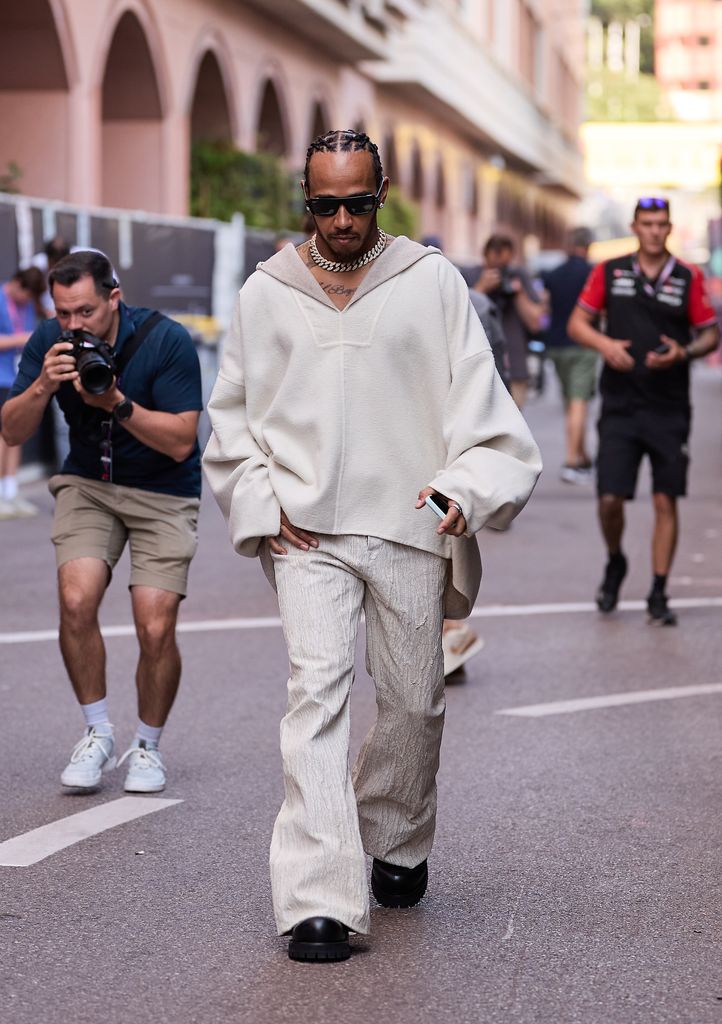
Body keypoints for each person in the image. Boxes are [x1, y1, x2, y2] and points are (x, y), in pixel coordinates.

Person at [203, 129, 542, 962]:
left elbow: (483, 404)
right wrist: (258, 499)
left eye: (359, 202)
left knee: (414, 700)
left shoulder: (430, 282)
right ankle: (318, 898)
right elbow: (232, 417)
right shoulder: (266, 292)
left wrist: (465, 490)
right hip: (305, 534)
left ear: (381, 193)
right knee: (313, 700)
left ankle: (393, 836)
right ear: (305, 201)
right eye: (326, 205)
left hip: (409, 526)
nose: (343, 219)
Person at [1, 250, 203, 791]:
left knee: (155, 624)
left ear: (114, 297)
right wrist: (42, 385)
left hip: (163, 490)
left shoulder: (167, 340)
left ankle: (147, 746)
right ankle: (96, 732)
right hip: (89, 484)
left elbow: (183, 441)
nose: (73, 325)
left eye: (85, 312)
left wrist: (114, 399)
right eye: (63, 313)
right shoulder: (49, 340)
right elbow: (12, 432)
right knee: (74, 599)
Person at [568, 197, 719, 625]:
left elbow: (710, 335)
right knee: (610, 498)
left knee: (664, 499)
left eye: (661, 224)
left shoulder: (688, 277)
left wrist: (684, 352)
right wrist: (606, 345)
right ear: (635, 227)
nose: (654, 231)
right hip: (620, 403)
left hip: (670, 407)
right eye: (647, 224)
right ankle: (616, 559)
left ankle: (658, 590)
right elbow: (577, 324)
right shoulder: (610, 271)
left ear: (669, 229)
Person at [541, 227, 598, 483]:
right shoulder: (592, 274)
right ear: (587, 246)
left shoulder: (552, 274)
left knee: (572, 403)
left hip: (556, 346)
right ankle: (571, 462)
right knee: (578, 402)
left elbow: (544, 307)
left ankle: (583, 455)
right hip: (583, 346)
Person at [473, 234, 544, 409]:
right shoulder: (471, 275)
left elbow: (536, 322)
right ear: (486, 255)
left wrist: (518, 294)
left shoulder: (518, 276)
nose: (500, 272)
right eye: (495, 266)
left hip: (515, 366)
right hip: (481, 368)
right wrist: (481, 289)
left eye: (504, 266)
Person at [0, 267, 46, 518]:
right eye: (24, 295)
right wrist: (21, 338)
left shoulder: (28, 305)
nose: (25, 301)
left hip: (17, 377)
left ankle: (10, 490)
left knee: (15, 433)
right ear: (17, 283)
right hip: (0, 376)